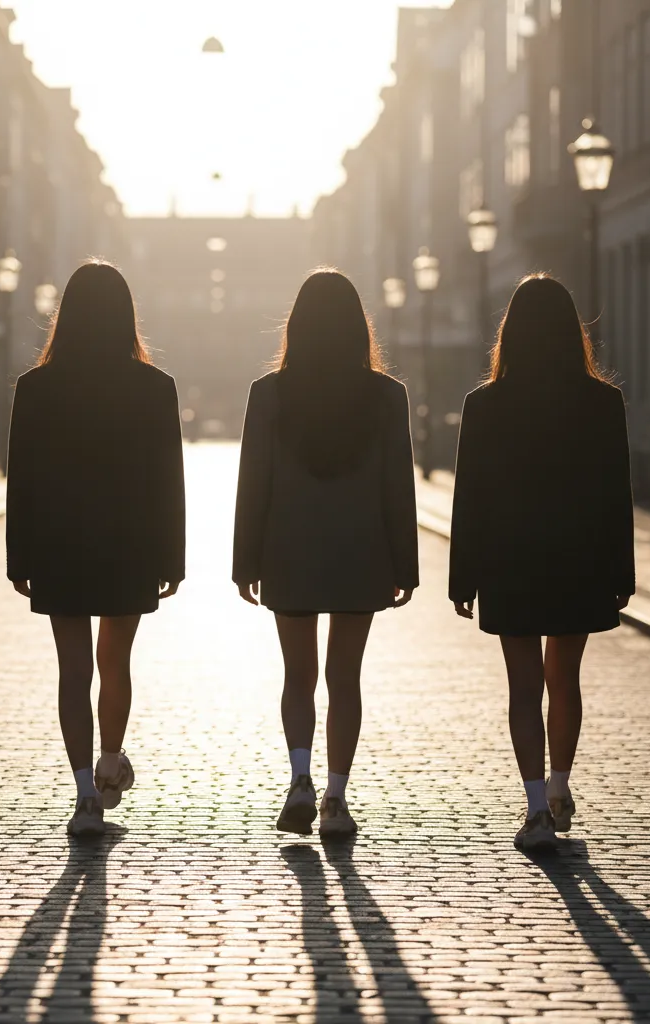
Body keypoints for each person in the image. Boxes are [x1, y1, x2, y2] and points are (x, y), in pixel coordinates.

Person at [449, 273, 634, 853]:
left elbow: (470, 497)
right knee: (565, 679)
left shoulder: (484, 404)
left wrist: (463, 578)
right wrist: (620, 575)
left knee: (524, 687)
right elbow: (616, 494)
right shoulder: (602, 402)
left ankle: (534, 808)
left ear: (511, 334)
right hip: (579, 558)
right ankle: (559, 785)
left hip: (511, 561)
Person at [232, 269, 418, 838]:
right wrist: (404, 565)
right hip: (361, 549)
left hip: (290, 548)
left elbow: (254, 482)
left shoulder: (269, 394)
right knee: (345, 677)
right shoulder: (385, 396)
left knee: (298, 675)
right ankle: (337, 797)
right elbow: (397, 485)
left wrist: (246, 562)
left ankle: (299, 779)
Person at [6, 260, 185, 838]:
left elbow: (21, 480)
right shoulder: (154, 387)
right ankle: (111, 759)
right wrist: (171, 558)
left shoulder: (37, 387)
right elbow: (168, 481)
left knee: (73, 669)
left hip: (59, 544)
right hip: (129, 543)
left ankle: (84, 790)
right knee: (115, 663)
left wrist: (19, 558)